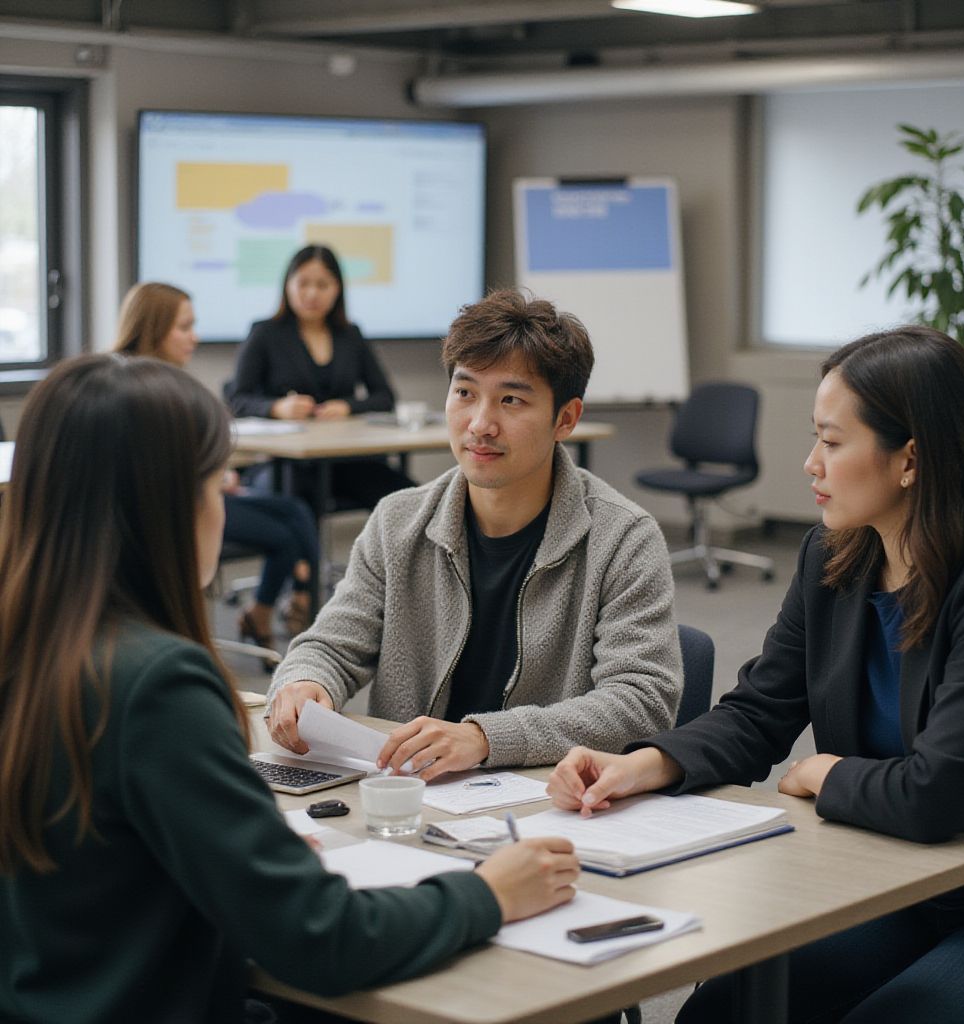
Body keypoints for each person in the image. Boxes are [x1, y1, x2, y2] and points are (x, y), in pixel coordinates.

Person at [0, 353, 579, 1024]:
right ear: (165, 505)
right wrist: (488, 894)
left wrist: (247, 861)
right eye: (220, 485)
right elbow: (322, 938)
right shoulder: (157, 686)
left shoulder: (31, 643)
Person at [547, 325, 964, 1024]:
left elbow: (938, 793)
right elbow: (759, 711)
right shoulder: (835, 555)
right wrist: (647, 763)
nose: (810, 464)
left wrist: (824, 775)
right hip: (893, 881)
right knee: (722, 1010)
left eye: (832, 442)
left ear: (911, 460)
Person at [266, 289, 682, 782]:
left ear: (566, 419)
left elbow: (641, 700)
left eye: (511, 400)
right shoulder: (398, 522)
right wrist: (305, 681)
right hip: (411, 800)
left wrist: (486, 738)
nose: (480, 425)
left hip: (548, 804)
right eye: (465, 393)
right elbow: (332, 645)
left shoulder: (622, 539)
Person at [115, 281, 320, 654]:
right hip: (174, 509)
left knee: (294, 509)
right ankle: (274, 606)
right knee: (285, 533)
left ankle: (293, 595)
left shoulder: (154, 381)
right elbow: (152, 471)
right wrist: (211, 477)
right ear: (154, 326)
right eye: (184, 327)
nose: (194, 337)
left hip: (199, 491)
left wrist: (214, 475)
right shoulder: (143, 391)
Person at [226, 244, 415, 512]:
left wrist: (347, 406)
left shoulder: (350, 335)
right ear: (287, 286)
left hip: (346, 460)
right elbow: (236, 398)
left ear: (337, 289)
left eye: (322, 285)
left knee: (408, 500)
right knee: (297, 501)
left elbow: (384, 396)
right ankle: (306, 556)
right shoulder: (265, 334)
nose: (311, 293)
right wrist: (277, 407)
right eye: (302, 283)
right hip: (287, 461)